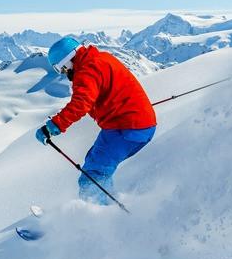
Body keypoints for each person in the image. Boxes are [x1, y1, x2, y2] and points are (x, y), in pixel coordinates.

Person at [35, 37, 157, 205]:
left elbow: (81, 103)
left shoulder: (86, 71)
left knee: (92, 176)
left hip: (126, 128)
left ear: (67, 62)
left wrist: (53, 126)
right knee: (96, 166)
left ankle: (97, 218)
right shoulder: (100, 58)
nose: (63, 73)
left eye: (60, 68)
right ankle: (107, 205)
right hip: (139, 124)